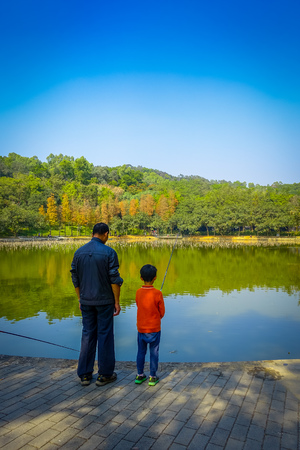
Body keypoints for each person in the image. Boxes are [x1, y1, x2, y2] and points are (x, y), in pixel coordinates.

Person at [70, 222, 123, 387]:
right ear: (106, 234)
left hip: (86, 300)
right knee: (105, 335)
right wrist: (116, 301)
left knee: (87, 334)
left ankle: (85, 375)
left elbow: (75, 278)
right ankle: (104, 375)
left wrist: (80, 298)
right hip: (104, 301)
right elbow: (114, 279)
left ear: (93, 233)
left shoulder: (79, 252)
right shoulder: (109, 252)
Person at [135, 264, 165, 386]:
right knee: (154, 352)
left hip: (141, 328)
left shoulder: (138, 292)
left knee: (141, 351)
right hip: (154, 329)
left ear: (141, 278)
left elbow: (138, 306)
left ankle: (140, 375)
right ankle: (152, 376)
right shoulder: (158, 293)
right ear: (155, 278)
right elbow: (162, 312)